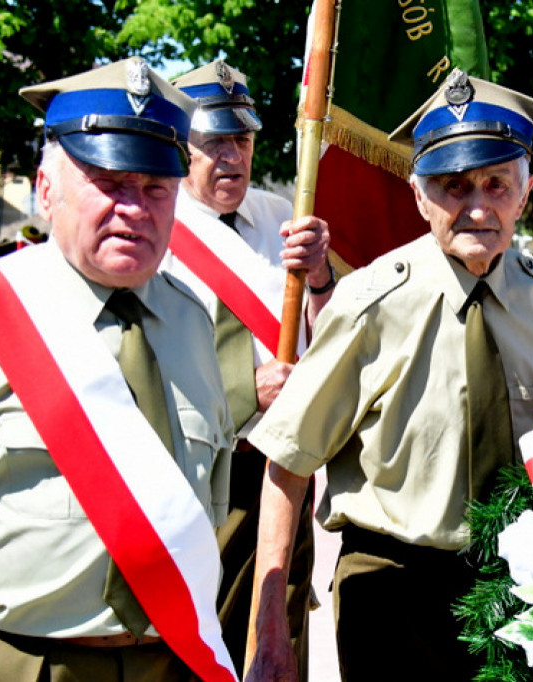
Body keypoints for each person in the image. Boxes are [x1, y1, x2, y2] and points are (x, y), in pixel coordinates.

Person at [243, 69, 533, 682]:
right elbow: (289, 461)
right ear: (418, 195)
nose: (478, 206)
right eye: (454, 186)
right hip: (391, 593)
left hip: (526, 592)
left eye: (497, 183)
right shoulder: (368, 304)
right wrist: (269, 623)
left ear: (527, 189)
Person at [0, 58, 238, 680]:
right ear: (46, 189)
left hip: (175, 657)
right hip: (22, 663)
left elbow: (208, 502)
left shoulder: (193, 320)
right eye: (109, 183)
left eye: (155, 187)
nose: (135, 208)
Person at [160, 59, 333, 680]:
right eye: (214, 143)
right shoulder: (157, 225)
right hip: (207, 474)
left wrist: (320, 279)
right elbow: (144, 363)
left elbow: (331, 333)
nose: (231, 156)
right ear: (183, 146)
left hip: (285, 465)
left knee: (280, 635)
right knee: (209, 636)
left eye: (243, 139)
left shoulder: (280, 212)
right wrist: (242, 390)